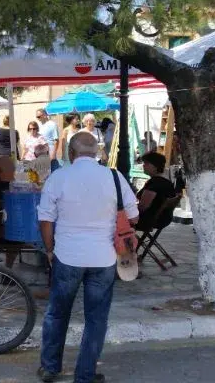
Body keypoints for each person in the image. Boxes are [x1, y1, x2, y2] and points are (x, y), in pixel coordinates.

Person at [37, 132, 138, 383]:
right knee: (96, 319)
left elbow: (46, 220)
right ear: (96, 153)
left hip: (67, 255)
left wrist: (50, 250)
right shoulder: (114, 177)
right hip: (103, 258)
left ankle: (51, 368)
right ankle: (85, 374)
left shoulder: (59, 177)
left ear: (71, 153)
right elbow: (134, 217)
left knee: (57, 313)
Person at [135, 152, 176, 231]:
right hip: (163, 219)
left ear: (155, 166)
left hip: (149, 220)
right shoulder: (166, 182)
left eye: (146, 163)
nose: (143, 165)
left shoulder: (155, 184)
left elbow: (143, 207)